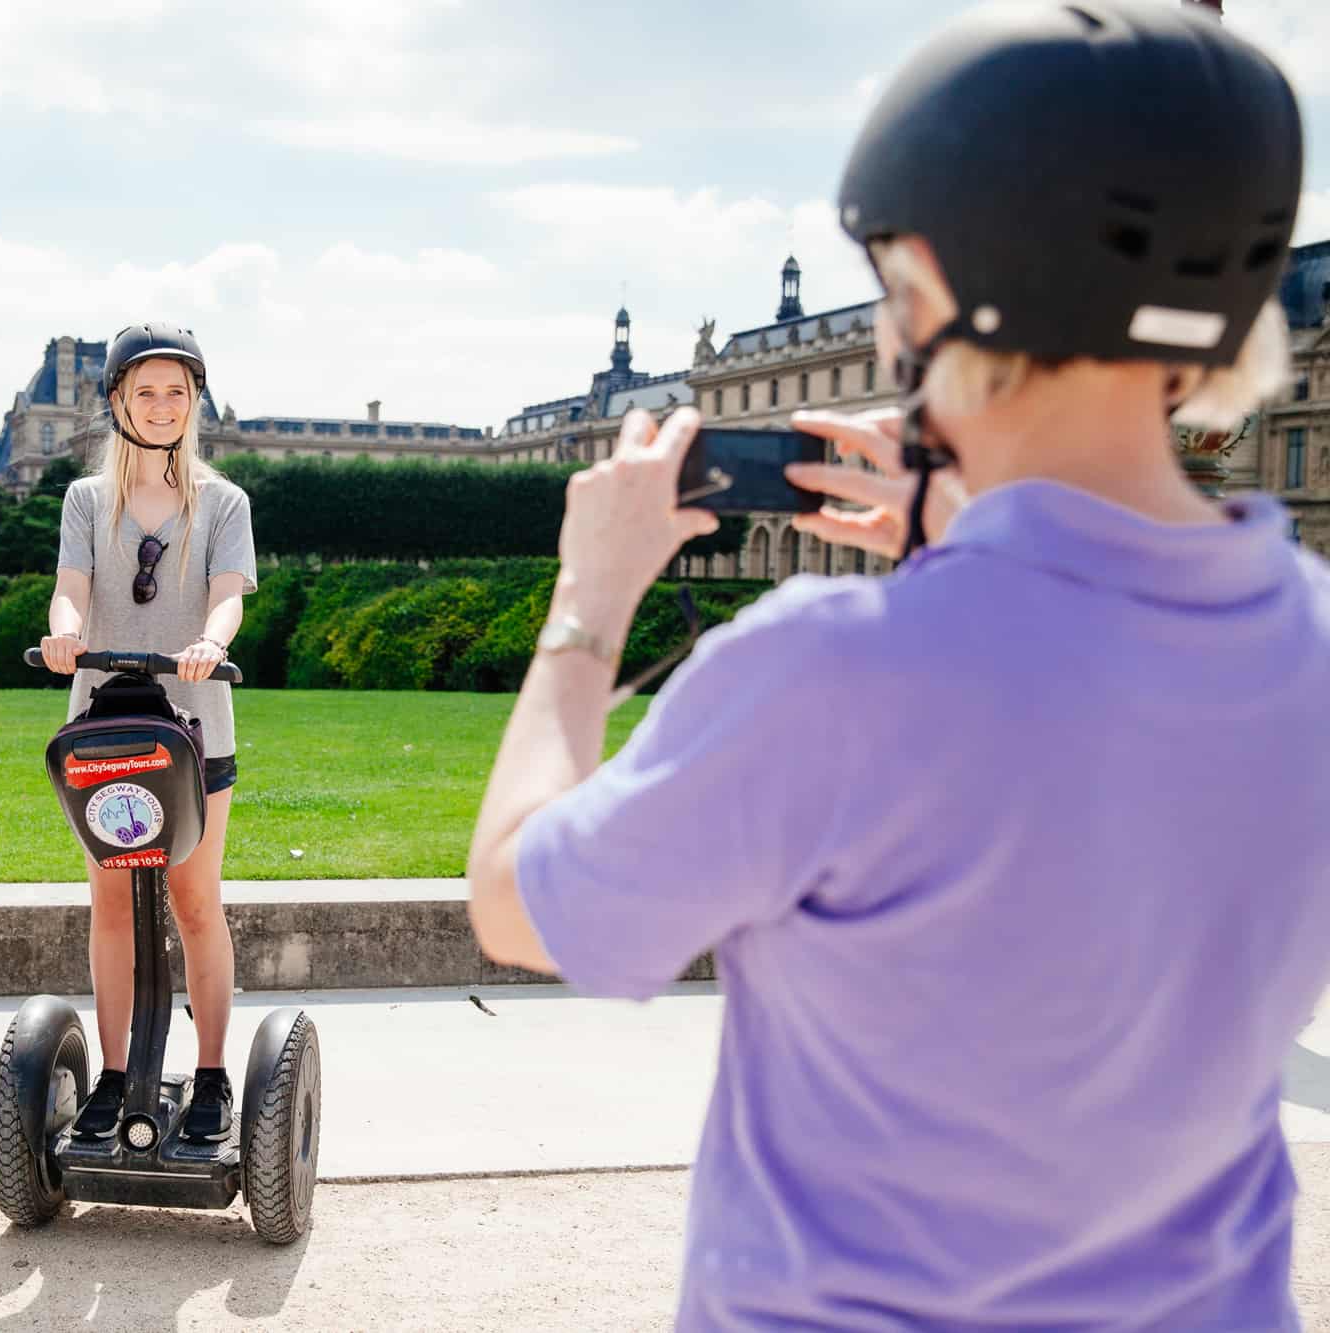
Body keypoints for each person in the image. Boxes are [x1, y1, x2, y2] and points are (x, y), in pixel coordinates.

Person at [466, 3, 1328, 1327]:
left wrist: (589, 603)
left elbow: (520, 910)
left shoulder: (832, 671)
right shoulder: (1310, 640)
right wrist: (970, 541)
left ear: (927, 283)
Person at [40, 322, 257, 1141]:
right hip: (104, 727)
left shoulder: (224, 501)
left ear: (194, 401)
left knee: (196, 901)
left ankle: (209, 1074)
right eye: (146, 391)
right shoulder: (87, 501)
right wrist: (65, 632)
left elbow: (229, 593)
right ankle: (116, 1069)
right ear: (119, 401)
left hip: (196, 725)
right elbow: (71, 589)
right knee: (110, 904)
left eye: (177, 391)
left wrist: (212, 640)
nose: (163, 406)